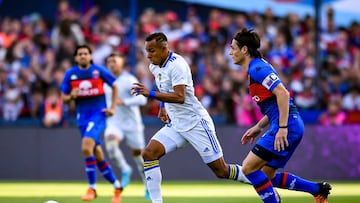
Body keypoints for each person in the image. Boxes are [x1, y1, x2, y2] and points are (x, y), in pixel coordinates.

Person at [132, 32, 251, 203]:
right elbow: (165, 88)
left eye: (152, 51)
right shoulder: (155, 66)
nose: (148, 56)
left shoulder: (178, 65)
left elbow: (180, 97)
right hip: (176, 124)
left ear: (164, 48)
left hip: (196, 123)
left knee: (221, 171)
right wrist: (163, 107)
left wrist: (150, 94)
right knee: (149, 154)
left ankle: (260, 181)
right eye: (147, 51)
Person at [229, 28, 332, 203]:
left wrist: (282, 128)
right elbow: (276, 103)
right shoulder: (258, 66)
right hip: (290, 124)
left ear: (244, 49)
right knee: (266, 176)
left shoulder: (257, 68)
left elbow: (283, 94)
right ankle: (318, 189)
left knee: (248, 168)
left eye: (233, 48)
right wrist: (259, 126)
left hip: (286, 126)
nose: (230, 53)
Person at [61, 45, 122, 203]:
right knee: (97, 154)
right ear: (75, 58)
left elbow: (115, 85)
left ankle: (92, 188)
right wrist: (71, 97)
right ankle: (117, 186)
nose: (83, 56)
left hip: (98, 115)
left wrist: (113, 107)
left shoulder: (98, 71)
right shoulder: (71, 74)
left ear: (90, 56)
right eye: (80, 54)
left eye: (85, 53)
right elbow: (63, 98)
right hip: (82, 117)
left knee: (86, 147)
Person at [103, 53, 150, 199]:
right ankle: (125, 169)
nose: (112, 64)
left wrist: (125, 102)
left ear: (122, 63)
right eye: (109, 61)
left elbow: (143, 100)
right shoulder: (104, 81)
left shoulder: (129, 80)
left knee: (140, 158)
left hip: (132, 124)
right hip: (114, 122)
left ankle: (147, 186)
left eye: (115, 61)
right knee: (110, 145)